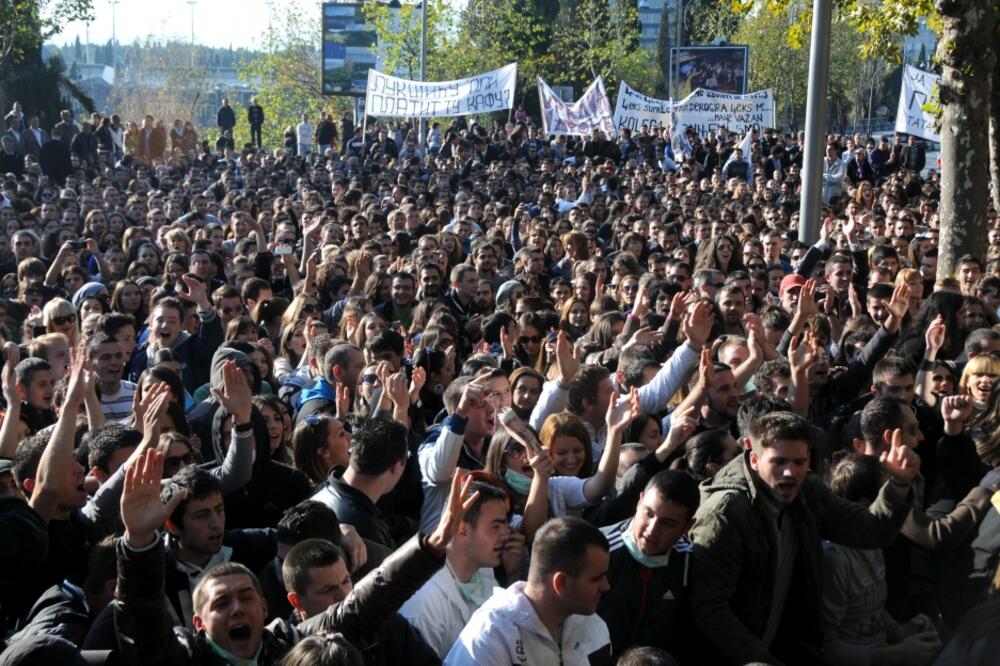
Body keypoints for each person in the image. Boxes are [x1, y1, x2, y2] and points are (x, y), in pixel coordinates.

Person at [113, 448, 481, 665]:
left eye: (245, 597)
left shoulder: (287, 646)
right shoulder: (183, 659)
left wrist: (430, 547)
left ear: (264, 607)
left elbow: (365, 604)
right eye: (222, 603)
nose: (237, 609)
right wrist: (139, 539)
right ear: (198, 623)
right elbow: (140, 625)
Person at [688, 411, 919, 664]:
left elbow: (869, 530)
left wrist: (898, 484)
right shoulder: (725, 514)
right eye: (779, 462)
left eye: (799, 462)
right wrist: (761, 659)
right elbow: (710, 608)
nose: (790, 473)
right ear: (754, 459)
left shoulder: (808, 491)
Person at [444, 516, 612, 665]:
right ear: (561, 583)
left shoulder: (593, 625)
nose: (606, 586)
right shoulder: (489, 639)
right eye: (596, 579)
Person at [399, 481, 525, 657]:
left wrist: (512, 576)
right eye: (496, 526)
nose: (506, 534)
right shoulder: (424, 604)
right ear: (463, 530)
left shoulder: (483, 571)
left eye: (505, 525)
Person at [598, 470, 700, 660]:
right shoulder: (599, 551)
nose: (652, 530)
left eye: (668, 523)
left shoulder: (689, 562)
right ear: (639, 501)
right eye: (649, 514)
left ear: (688, 527)